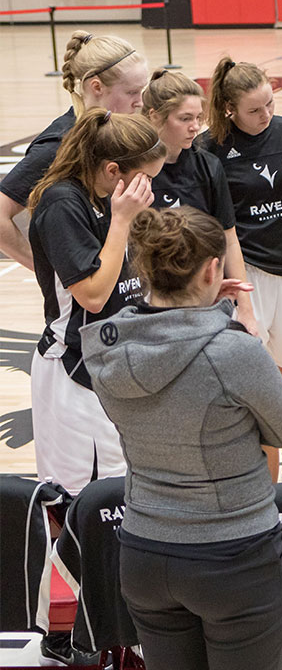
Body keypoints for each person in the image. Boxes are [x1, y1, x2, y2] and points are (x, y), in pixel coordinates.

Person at [80, 206, 282, 670]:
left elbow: (170, 339)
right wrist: (219, 314)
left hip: (143, 552)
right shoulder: (235, 351)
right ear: (212, 270)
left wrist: (207, 309)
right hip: (233, 554)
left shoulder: (107, 347)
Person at [25, 110, 164, 496]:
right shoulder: (62, 204)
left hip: (120, 362)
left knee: (127, 490)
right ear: (112, 170)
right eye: (145, 177)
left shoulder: (110, 198)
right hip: (75, 368)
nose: (150, 187)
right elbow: (94, 295)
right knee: (79, 498)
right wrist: (122, 221)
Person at [201, 58, 282, 388]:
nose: (266, 114)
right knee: (249, 372)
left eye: (270, 103)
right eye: (254, 110)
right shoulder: (210, 148)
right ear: (230, 109)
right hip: (248, 272)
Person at [0, 31, 149, 271]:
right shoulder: (57, 145)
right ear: (96, 86)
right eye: (131, 92)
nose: (139, 102)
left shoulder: (120, 131)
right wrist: (48, 268)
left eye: (142, 91)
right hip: (87, 288)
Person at [142, 69, 259, 336]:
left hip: (203, 297)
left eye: (198, 118)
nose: (195, 127)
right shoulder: (136, 170)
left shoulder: (208, 166)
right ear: (155, 116)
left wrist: (246, 309)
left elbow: (229, 239)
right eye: (185, 119)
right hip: (152, 297)